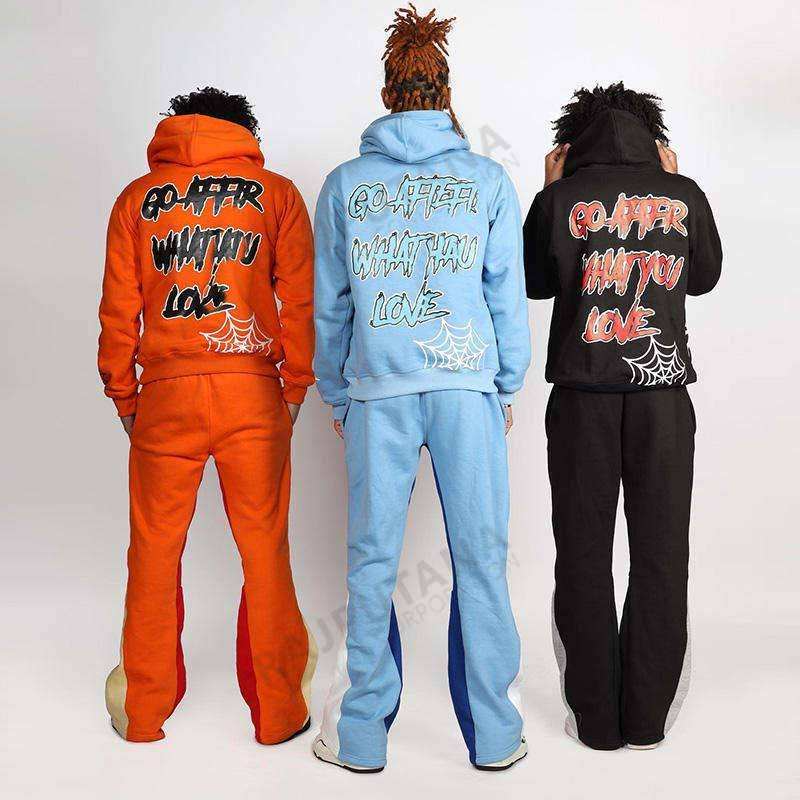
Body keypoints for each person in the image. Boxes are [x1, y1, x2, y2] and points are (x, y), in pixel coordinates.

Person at [312, 5, 530, 773]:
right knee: (481, 557)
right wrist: (504, 386)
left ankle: (362, 738)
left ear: (386, 92)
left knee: (372, 563)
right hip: (466, 388)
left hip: (380, 391)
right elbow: (505, 295)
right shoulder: (487, 180)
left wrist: (338, 394)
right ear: (446, 93)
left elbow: (331, 304)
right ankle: (497, 737)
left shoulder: (345, 185)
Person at [99, 87, 317, 744]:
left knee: (154, 550)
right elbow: (300, 304)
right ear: (244, 133)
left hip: (167, 397)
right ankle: (279, 711)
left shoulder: (135, 201)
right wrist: (293, 389)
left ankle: (144, 711)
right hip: (252, 393)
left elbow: (118, 312)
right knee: (265, 548)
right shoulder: (276, 195)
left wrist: (125, 395)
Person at [523, 83, 722, 751]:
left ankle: (595, 723)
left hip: (581, 396)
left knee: (582, 553)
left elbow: (535, 281)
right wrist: (675, 183)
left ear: (572, 138)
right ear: (652, 136)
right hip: (662, 399)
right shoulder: (682, 194)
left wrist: (548, 191)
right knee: (662, 553)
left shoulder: (561, 199)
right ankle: (646, 719)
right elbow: (704, 276)